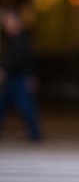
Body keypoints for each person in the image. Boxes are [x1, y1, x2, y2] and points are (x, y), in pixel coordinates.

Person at [0, 8, 43, 142]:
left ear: (17, 21)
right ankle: (35, 133)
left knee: (26, 106)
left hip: (20, 77)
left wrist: (5, 70)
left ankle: (35, 134)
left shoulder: (22, 38)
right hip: (14, 77)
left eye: (8, 20)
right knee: (3, 104)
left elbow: (23, 59)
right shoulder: (13, 38)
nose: (5, 24)